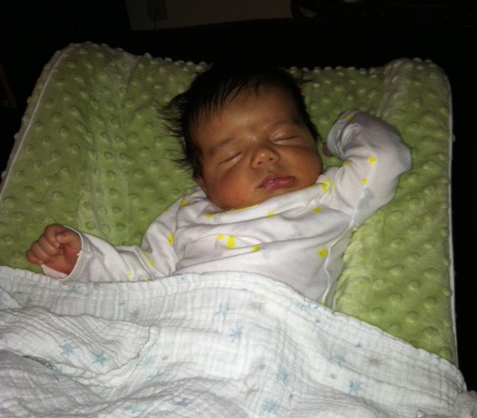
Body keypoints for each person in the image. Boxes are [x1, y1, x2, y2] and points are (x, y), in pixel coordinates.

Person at [25, 64, 411, 305]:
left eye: (285, 138)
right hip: (177, 330)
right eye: (232, 155)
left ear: (313, 142)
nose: (265, 155)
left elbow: (386, 155)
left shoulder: (331, 196)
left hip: (273, 339)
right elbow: (144, 271)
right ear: (203, 183)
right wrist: (83, 259)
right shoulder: (189, 211)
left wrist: (344, 127)